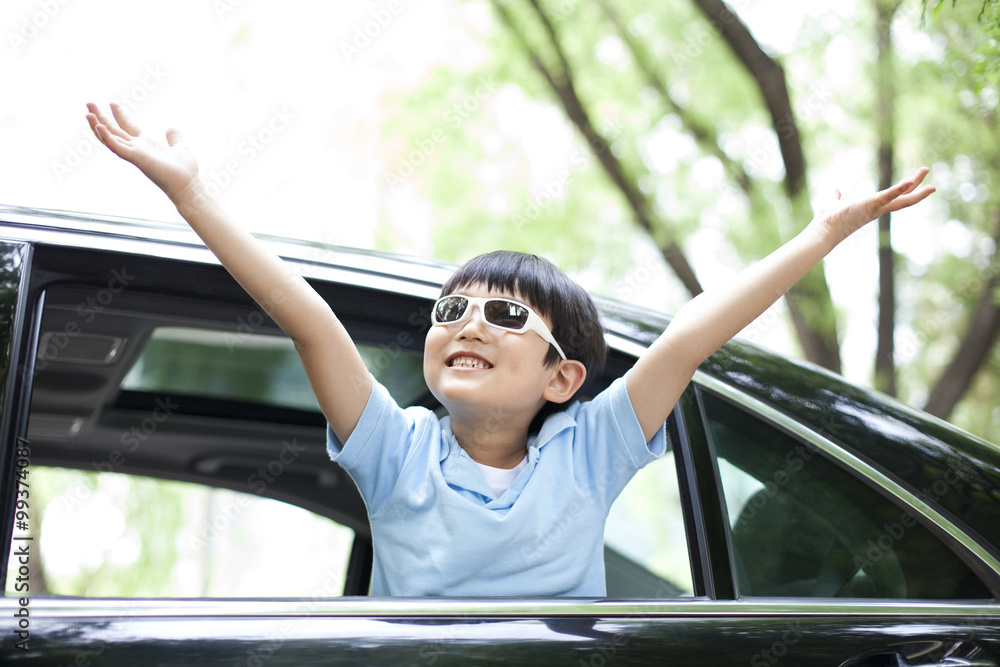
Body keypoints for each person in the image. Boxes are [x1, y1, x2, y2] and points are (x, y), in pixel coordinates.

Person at [85, 102, 935, 596]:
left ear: (564, 377)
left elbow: (688, 338)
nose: (468, 323)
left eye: (505, 316)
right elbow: (308, 317)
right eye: (452, 308)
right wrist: (192, 193)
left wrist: (822, 235)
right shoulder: (396, 451)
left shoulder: (589, 452)